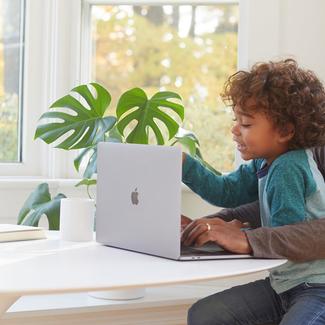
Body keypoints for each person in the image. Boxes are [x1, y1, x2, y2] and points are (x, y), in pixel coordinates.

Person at [181, 59, 325, 325]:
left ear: (285, 131)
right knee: (203, 314)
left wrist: (241, 235)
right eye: (237, 120)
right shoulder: (264, 161)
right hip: (284, 285)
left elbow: (286, 235)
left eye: (246, 124)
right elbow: (225, 191)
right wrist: (184, 165)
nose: (235, 130)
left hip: (316, 288)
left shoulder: (288, 168)